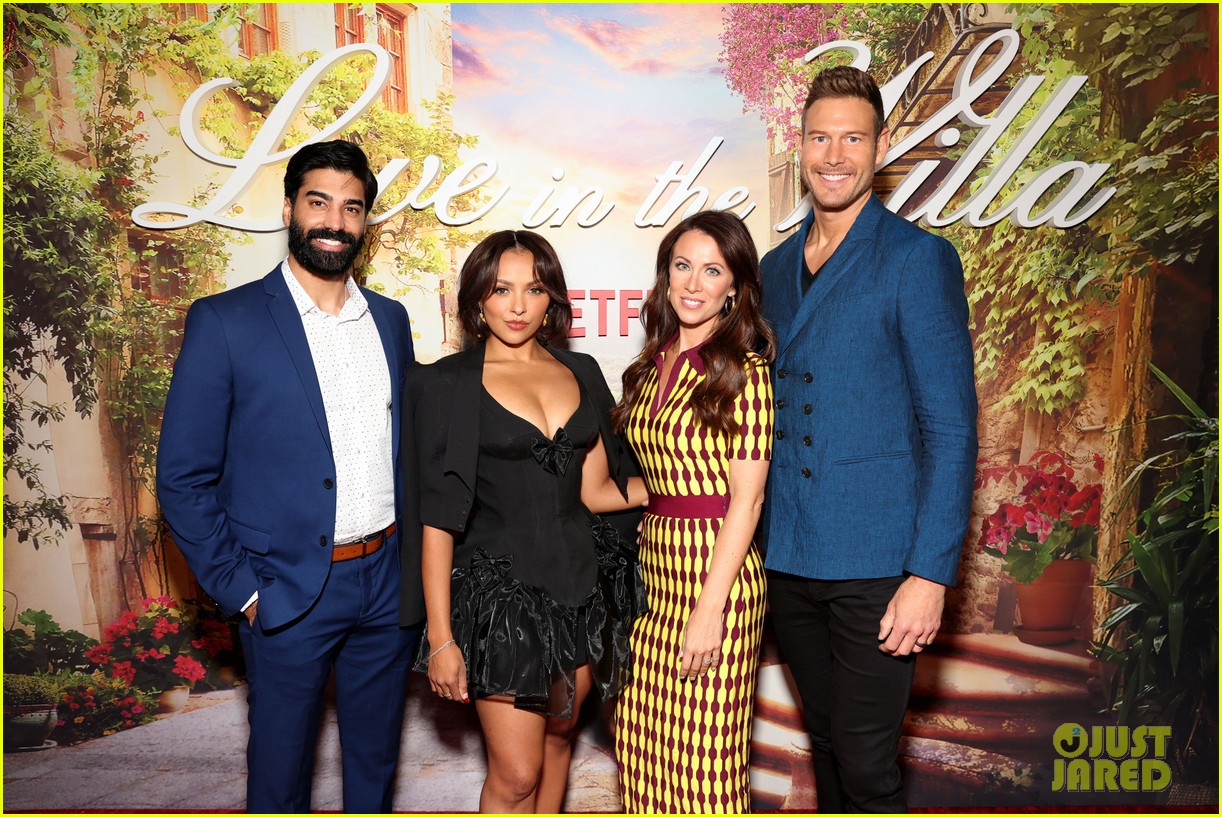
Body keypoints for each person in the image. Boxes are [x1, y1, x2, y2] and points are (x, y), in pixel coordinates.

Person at [156, 140, 421, 813]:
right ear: (288, 209)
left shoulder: (390, 321)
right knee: (279, 784)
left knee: (374, 774)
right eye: (318, 202)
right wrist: (244, 590)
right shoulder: (225, 320)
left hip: (386, 585)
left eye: (352, 207)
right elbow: (183, 477)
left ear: (366, 222)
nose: (334, 220)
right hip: (286, 590)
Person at [759, 65, 978, 812]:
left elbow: (951, 430)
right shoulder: (773, 269)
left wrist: (930, 575)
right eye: (819, 137)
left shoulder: (917, 259)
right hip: (788, 557)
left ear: (880, 148)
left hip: (880, 563)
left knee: (867, 765)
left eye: (852, 138)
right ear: (800, 144)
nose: (834, 155)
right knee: (824, 744)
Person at [403, 230, 648, 813]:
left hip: (580, 592)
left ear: (551, 298)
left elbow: (595, 491)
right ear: (477, 299)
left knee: (561, 740)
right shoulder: (447, 383)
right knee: (516, 776)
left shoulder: (581, 369)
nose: (517, 306)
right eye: (501, 289)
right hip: (501, 605)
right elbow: (437, 522)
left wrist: (685, 488)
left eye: (533, 290)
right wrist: (441, 638)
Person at [611, 210, 776, 813]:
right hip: (655, 577)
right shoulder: (649, 367)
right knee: (641, 751)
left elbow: (747, 500)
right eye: (682, 265)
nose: (693, 283)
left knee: (705, 773)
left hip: (717, 580)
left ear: (734, 288)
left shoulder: (745, 373)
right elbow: (658, 478)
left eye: (712, 270)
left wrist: (710, 611)